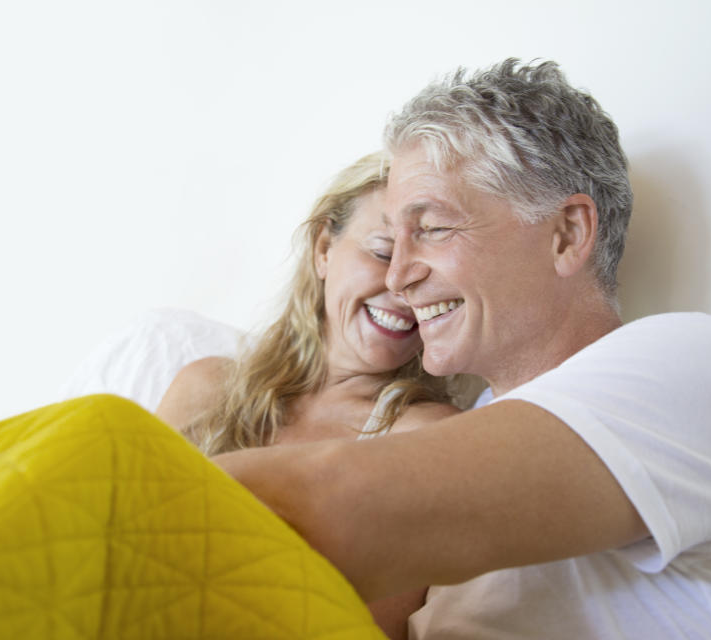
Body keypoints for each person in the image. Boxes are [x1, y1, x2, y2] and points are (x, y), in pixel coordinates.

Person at [214, 59, 711, 638]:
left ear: (567, 234)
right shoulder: (463, 427)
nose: (397, 277)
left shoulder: (703, 366)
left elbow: (328, 507)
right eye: (387, 241)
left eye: (431, 228)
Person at [155, 150, 474, 639]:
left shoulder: (424, 438)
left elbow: (361, 629)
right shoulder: (206, 388)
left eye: (430, 270)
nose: (402, 284)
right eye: (384, 252)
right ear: (324, 246)